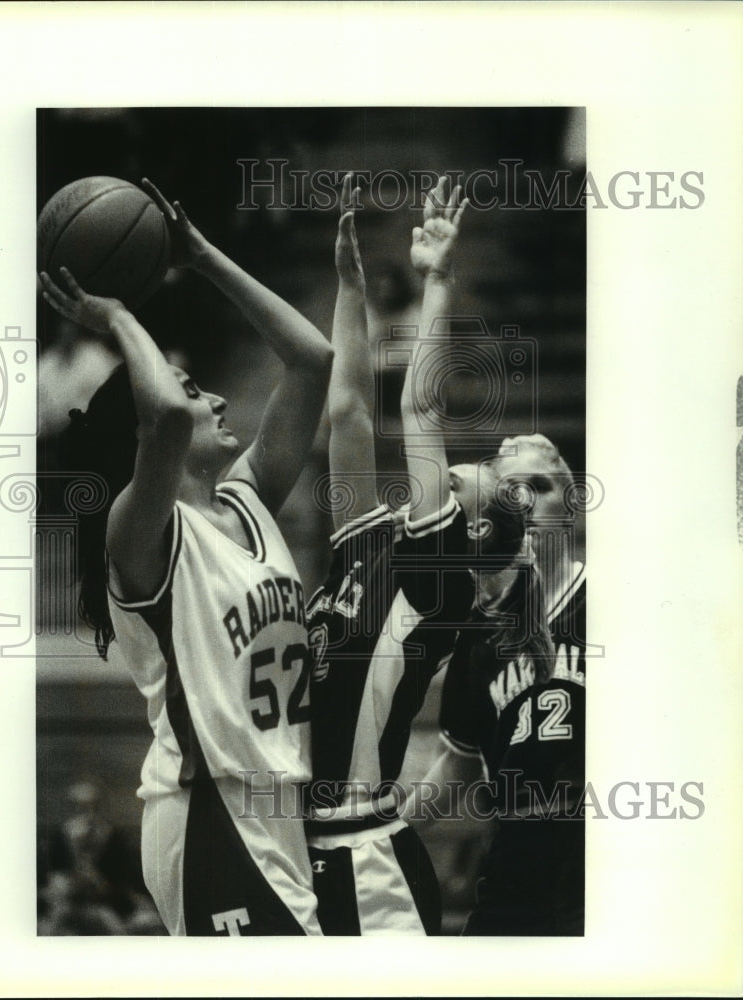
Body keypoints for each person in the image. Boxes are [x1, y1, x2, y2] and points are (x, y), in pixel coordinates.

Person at [39, 178, 333, 936]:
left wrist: (203, 257)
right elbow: (166, 414)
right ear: (144, 440)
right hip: (208, 810)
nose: (220, 402)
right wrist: (115, 316)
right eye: (200, 391)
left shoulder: (244, 503)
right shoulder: (138, 534)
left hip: (275, 806)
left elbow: (312, 359)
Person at [304, 176, 528, 935]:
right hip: (296, 845)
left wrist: (438, 282)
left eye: (458, 482)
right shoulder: (373, 546)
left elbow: (419, 407)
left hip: (364, 854)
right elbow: (348, 413)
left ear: (467, 535)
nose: (438, 475)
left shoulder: (438, 586)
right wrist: (348, 290)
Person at [429, 434, 587, 935]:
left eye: (539, 487)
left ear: (572, 505)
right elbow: (455, 766)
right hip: (514, 878)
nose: (525, 503)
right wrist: (374, 829)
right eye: (510, 492)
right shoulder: (481, 635)